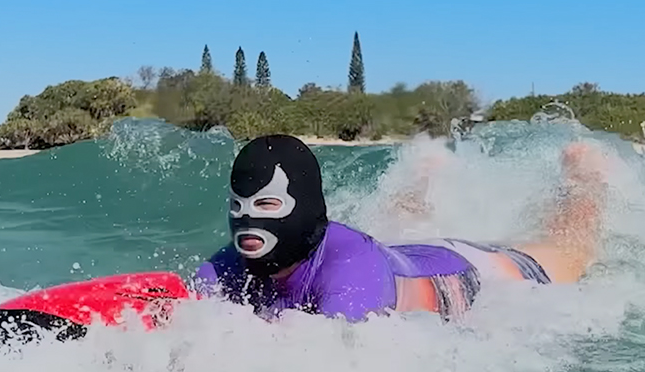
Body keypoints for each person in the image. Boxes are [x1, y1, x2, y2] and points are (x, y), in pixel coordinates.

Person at [194, 134, 607, 323]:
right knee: (395, 233)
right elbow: (181, 309)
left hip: (466, 270)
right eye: (238, 206)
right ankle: (422, 182)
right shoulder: (233, 263)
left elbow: (329, 359)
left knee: (570, 251)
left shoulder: (350, 273)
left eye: (268, 205)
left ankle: (582, 180)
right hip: (403, 254)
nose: (249, 221)